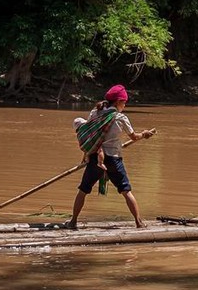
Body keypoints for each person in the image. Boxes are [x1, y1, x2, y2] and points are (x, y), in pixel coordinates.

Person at [66, 84, 154, 230]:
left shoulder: (95, 112)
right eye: (124, 102)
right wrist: (143, 135)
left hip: (95, 157)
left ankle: (73, 221)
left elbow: (91, 137)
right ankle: (139, 223)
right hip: (114, 159)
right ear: (118, 102)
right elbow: (133, 137)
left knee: (83, 190)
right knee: (126, 191)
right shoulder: (121, 118)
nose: (125, 105)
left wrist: (85, 155)